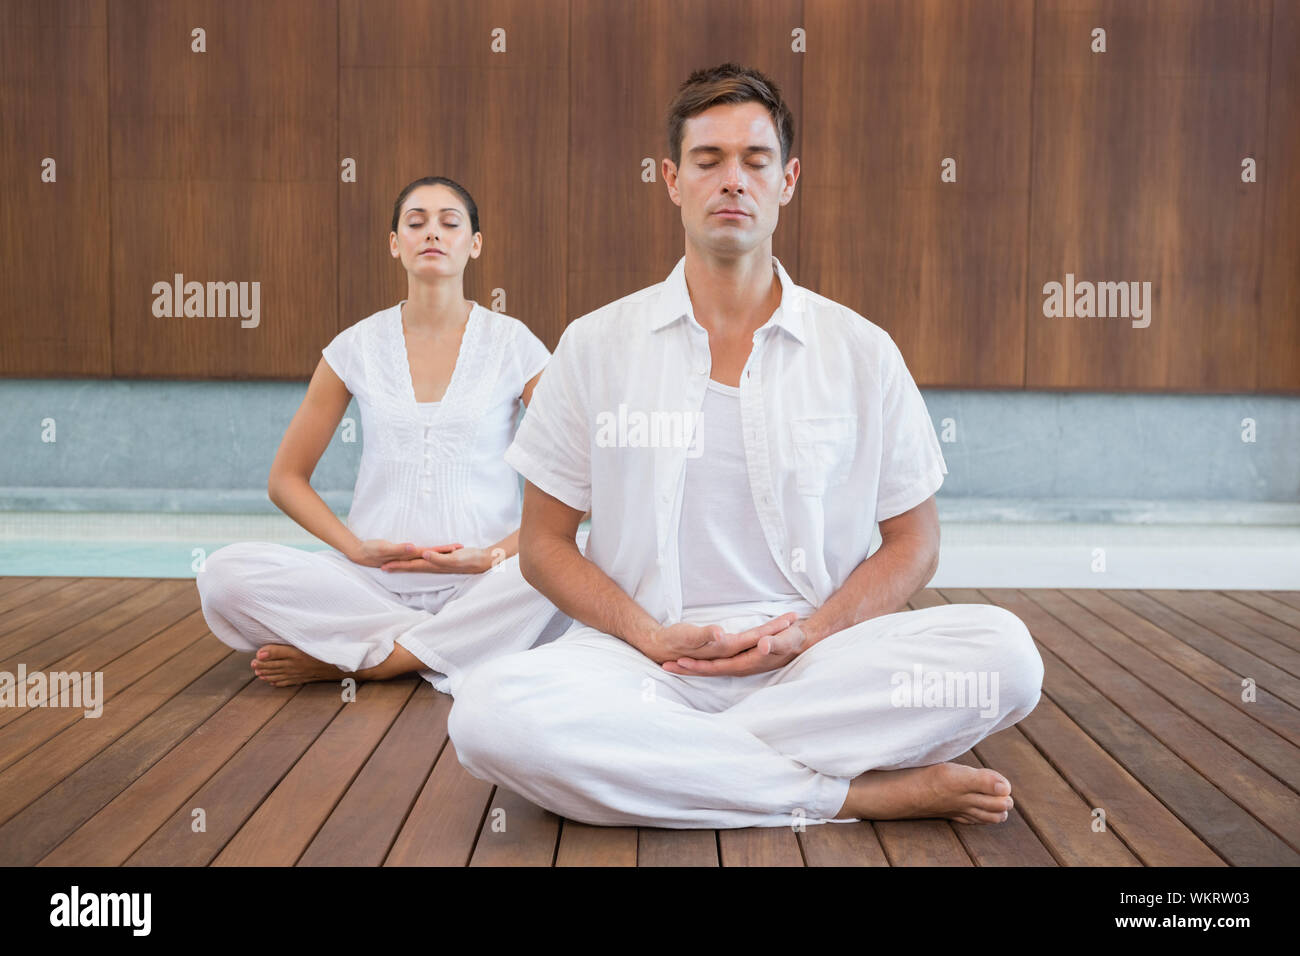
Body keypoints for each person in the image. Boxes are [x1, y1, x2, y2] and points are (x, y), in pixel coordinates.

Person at [446, 64, 1044, 828]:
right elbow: (543, 545)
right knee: (488, 715)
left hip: (817, 664)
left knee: (1005, 656)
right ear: (671, 178)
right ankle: (843, 794)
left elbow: (915, 540)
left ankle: (677, 765)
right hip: (644, 662)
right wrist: (648, 634)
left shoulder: (860, 349)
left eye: (755, 161)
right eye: (708, 160)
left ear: (788, 179)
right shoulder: (594, 345)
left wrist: (811, 633)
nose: (733, 180)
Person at [197, 176, 583, 694]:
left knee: (576, 562)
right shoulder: (355, 346)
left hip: (486, 583)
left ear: (475, 244)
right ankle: (451, 646)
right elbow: (286, 479)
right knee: (222, 576)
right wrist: (353, 549)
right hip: (370, 586)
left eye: (450, 223)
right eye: (416, 222)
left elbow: (576, 475)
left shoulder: (515, 345)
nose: (432, 234)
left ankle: (367, 662)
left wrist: (491, 556)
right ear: (394, 243)